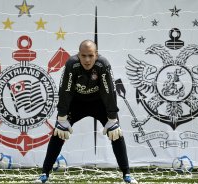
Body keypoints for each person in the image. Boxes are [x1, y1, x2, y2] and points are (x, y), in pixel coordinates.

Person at [35, 40, 137, 183]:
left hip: (99, 103)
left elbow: (109, 92)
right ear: (79, 55)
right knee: (58, 133)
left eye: (90, 55)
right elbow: (65, 90)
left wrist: (112, 118)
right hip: (77, 103)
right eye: (84, 56)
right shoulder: (72, 64)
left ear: (96, 54)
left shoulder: (103, 64)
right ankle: (44, 173)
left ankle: (127, 174)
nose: (87, 60)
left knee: (116, 133)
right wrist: (62, 117)